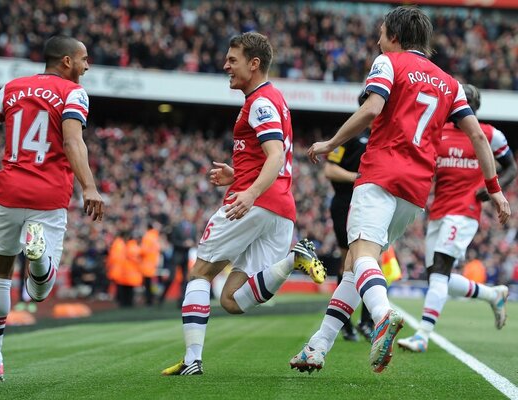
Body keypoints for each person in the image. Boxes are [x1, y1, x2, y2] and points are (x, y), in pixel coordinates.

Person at [290, 6, 511, 375]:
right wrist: (496, 189)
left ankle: (381, 314)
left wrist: (331, 143)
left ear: (393, 35)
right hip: (415, 190)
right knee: (352, 268)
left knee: (361, 256)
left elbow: (372, 108)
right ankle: (318, 346)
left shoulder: (388, 62)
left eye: (380, 34)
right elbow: (477, 136)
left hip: (380, 174)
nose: (378, 40)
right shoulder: (450, 83)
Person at [161, 32, 326, 376]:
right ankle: (294, 259)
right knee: (233, 300)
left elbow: (276, 155)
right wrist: (237, 174)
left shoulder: (261, 102)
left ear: (254, 64)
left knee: (200, 273)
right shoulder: (274, 99)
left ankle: (192, 360)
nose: (225, 66)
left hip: (254, 202)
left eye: (232, 60)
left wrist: (248, 191)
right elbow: (269, 157)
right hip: (280, 208)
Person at [0, 35, 104, 383]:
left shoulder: (12, 88)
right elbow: (72, 140)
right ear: (66, 61)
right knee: (39, 291)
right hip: (48, 196)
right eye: (83, 59)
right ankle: (39, 260)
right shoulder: (73, 93)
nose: (87, 66)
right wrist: (89, 186)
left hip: (8, 193)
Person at [397, 84, 517, 353]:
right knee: (437, 278)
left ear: (474, 106)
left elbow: (511, 167)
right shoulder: (438, 133)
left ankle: (422, 334)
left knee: (439, 271)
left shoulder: (488, 134)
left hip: (465, 212)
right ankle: (492, 294)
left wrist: (492, 189)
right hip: (438, 211)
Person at [324, 94, 373, 342]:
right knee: (349, 261)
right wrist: (358, 177)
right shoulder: (350, 133)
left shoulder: (384, 135)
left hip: (371, 202)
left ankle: (367, 321)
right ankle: (344, 322)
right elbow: (329, 169)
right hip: (346, 202)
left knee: (371, 260)